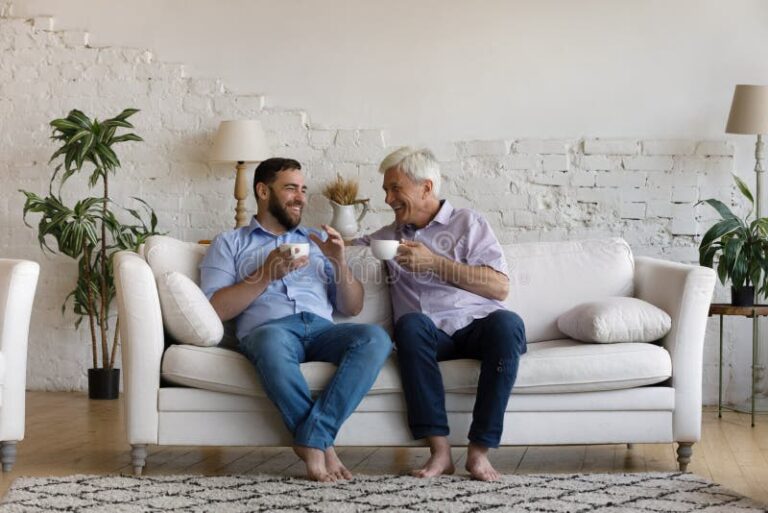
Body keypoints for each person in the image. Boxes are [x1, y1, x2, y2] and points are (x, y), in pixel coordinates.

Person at [200, 157, 392, 482]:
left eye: (302, 190)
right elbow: (214, 309)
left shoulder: (317, 241)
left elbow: (354, 306)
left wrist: (339, 262)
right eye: (290, 188)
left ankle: (314, 439)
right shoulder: (229, 243)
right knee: (270, 341)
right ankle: (323, 449)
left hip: (321, 330)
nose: (301, 197)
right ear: (263, 191)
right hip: (270, 332)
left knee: (375, 338)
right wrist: (264, 275)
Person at [358, 147, 526, 481]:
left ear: (426, 187)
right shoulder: (389, 237)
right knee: (410, 325)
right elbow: (348, 246)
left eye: (395, 188)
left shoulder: (468, 223)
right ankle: (440, 452)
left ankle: (479, 453)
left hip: (476, 325)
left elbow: (499, 287)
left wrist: (435, 263)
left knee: (508, 324)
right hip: (428, 334)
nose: (388, 198)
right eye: (386, 190)